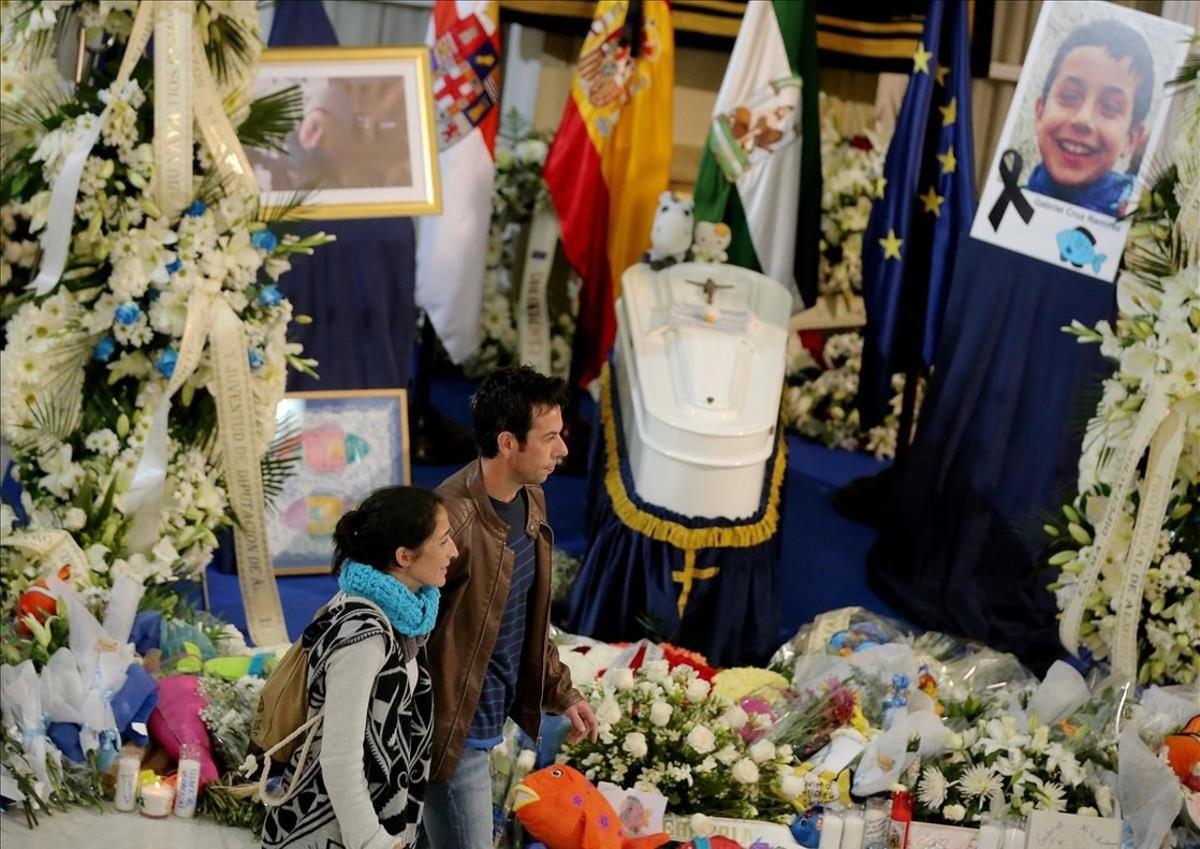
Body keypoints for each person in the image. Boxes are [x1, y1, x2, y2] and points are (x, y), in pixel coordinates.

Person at [422, 366, 599, 848]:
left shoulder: (530, 499)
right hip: (452, 737)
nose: (563, 449)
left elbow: (526, 616)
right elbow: (403, 638)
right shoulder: (449, 522)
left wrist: (563, 692)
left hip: (484, 720)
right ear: (507, 442)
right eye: (549, 438)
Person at [261, 486, 457, 849]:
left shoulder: (404, 621)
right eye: (444, 540)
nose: (454, 551)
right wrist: (372, 840)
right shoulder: (364, 637)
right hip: (335, 832)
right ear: (404, 556)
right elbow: (339, 757)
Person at [1027, 18, 1153, 217]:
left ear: (1131, 139)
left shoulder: (1141, 230)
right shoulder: (1001, 207)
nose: (1083, 119)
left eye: (1110, 107)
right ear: (1040, 112)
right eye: (1069, 96)